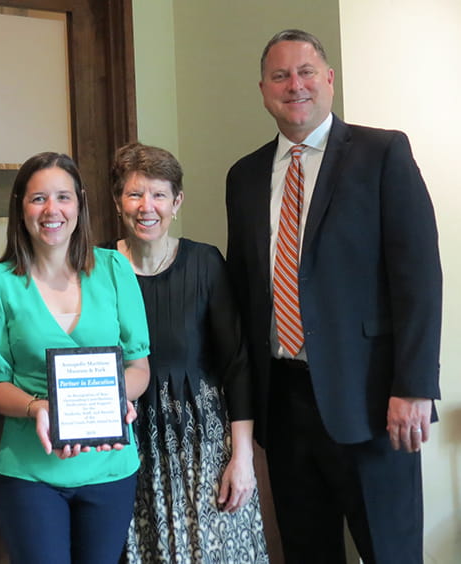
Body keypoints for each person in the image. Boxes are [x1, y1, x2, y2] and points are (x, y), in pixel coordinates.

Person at [225, 29, 442, 563]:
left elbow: (418, 278)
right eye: (280, 76)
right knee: (307, 553)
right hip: (285, 406)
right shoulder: (245, 176)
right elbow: (244, 293)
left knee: (390, 553)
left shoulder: (381, 152)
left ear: (328, 79)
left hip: (372, 405)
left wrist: (413, 386)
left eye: (304, 72)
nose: (293, 85)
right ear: (262, 89)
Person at [0, 151, 150, 564]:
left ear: (80, 203)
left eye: (63, 197)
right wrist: (40, 408)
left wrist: (115, 398)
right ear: (20, 207)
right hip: (33, 473)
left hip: (111, 466)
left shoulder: (114, 269)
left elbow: (139, 365)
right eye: (38, 199)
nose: (52, 210)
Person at [106, 142, 268, 563]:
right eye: (135, 193)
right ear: (117, 201)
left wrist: (243, 457)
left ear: (177, 202)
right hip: (126, 443)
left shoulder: (206, 262)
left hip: (202, 446)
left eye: (159, 194)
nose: (147, 206)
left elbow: (237, 364)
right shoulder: (96, 268)